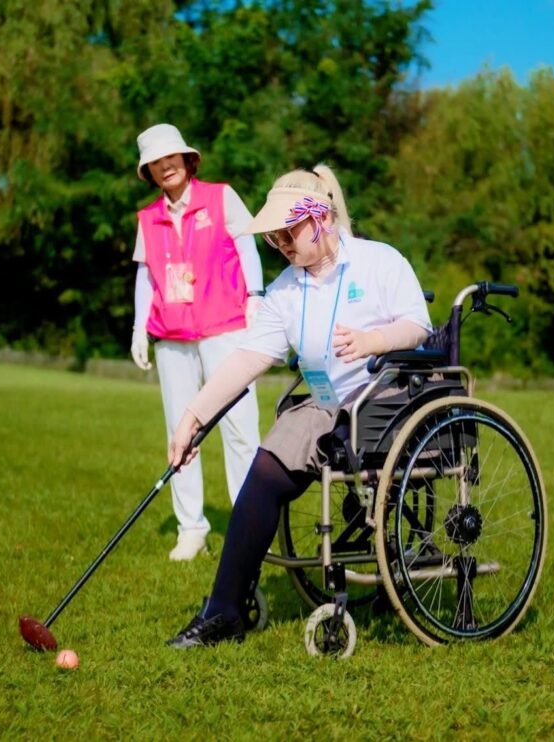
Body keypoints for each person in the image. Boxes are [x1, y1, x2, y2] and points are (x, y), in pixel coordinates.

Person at [163, 164, 432, 647]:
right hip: (327, 407)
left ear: (320, 219)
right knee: (265, 469)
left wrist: (373, 340)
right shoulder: (285, 289)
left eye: (290, 232)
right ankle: (224, 611)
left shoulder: (379, 261)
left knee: (332, 427)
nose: (283, 244)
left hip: (388, 397)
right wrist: (191, 418)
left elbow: (418, 325)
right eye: (275, 238)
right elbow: (246, 359)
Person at [131, 123, 264, 561]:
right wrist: (138, 328)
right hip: (172, 336)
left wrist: (256, 296)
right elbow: (145, 276)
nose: (165, 166)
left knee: (239, 427)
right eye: (156, 162)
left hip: (225, 327)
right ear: (149, 171)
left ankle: (249, 524)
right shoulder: (147, 218)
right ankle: (191, 529)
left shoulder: (221, 197)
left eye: (171, 157)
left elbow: (246, 247)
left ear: (187, 160)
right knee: (180, 433)